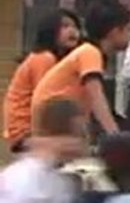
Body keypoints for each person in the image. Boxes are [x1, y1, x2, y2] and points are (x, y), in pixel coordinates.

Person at [32, 2, 130, 136]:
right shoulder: (90, 53)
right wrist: (115, 135)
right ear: (115, 31)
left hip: (59, 119)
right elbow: (96, 96)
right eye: (127, 29)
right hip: (56, 120)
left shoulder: (89, 52)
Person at [4, 9, 82, 152]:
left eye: (75, 27)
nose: (72, 31)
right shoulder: (44, 58)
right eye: (65, 26)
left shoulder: (56, 60)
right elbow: (46, 100)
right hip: (26, 130)